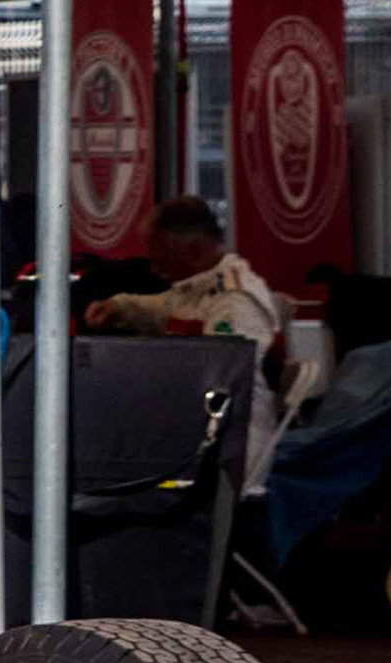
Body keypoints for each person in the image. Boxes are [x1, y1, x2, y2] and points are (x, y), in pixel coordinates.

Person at [89, 195, 290, 469]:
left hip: (230, 454)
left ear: (194, 251)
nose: (155, 271)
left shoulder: (234, 303)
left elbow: (221, 381)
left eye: (160, 261)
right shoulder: (200, 288)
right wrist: (118, 307)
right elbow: (163, 308)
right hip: (203, 437)